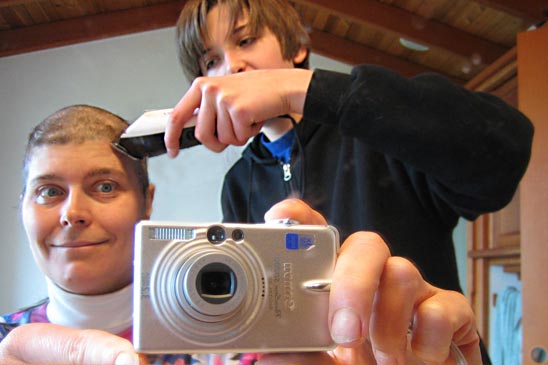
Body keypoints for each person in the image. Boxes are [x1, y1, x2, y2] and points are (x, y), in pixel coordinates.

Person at [165, 0, 534, 363]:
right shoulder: (236, 183)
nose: (232, 66)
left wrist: (304, 90)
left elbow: (504, 153)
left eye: (245, 41)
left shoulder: (379, 132)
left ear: (297, 50)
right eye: (211, 61)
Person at [0, 107, 483, 364]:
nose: (73, 213)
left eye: (104, 186)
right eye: (47, 192)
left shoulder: (249, 348)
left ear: (147, 204)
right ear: (20, 207)